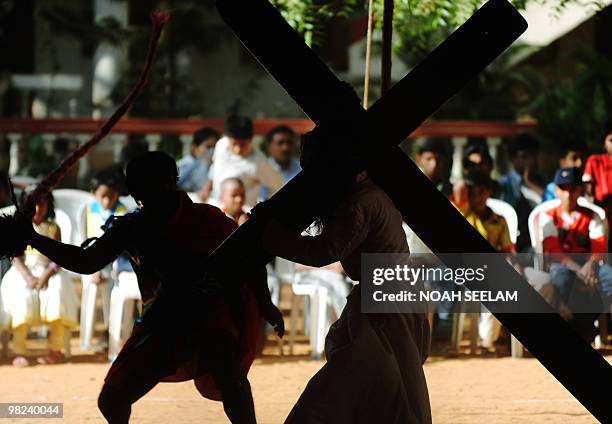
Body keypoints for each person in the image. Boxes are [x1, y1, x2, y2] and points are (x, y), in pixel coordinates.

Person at [16, 152, 284, 423]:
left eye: (154, 183)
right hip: (162, 323)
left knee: (228, 373)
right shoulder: (131, 227)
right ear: (134, 190)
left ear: (171, 182)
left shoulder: (207, 219)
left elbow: (248, 259)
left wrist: (266, 304)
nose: (147, 192)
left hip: (210, 318)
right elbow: (87, 261)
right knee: (111, 400)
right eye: (141, 185)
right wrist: (33, 239)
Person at [261, 134, 431, 422]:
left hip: (386, 303)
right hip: (391, 297)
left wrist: (270, 235)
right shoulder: (368, 195)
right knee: (391, 389)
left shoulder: (361, 204)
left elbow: (321, 252)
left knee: (337, 392)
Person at [1, 191, 78, 366]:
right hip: (24, 272)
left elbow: (58, 257)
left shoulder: (54, 228)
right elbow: (15, 257)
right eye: (33, 204)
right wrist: (28, 276)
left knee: (58, 289)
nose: (38, 208)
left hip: (48, 272)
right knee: (20, 294)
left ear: (48, 205)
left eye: (42, 203)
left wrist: (45, 276)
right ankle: (19, 349)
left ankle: (55, 349)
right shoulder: (19, 227)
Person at [541, 167, 612, 341]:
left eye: (573, 188)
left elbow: (599, 247)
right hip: (564, 267)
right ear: (556, 190)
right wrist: (579, 269)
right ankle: (582, 327)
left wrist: (589, 266)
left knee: (610, 278)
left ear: (580, 189)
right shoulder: (548, 216)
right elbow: (553, 252)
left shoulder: (593, 216)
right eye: (563, 188)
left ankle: (586, 324)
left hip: (590, 266)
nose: (568, 194)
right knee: (560, 275)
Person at [458, 174, 515, 351]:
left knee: (538, 281)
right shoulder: (463, 215)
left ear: (488, 193)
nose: (479, 197)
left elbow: (507, 250)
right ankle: (488, 341)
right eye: (474, 194)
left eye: (482, 193)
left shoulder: (499, 220)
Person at [81, 167, 131, 351]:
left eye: (111, 195)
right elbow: (88, 238)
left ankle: (110, 332)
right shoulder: (89, 210)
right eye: (102, 195)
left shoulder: (122, 212)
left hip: (114, 265)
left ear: (117, 193)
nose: (107, 200)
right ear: (94, 194)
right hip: (91, 261)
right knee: (95, 287)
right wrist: (94, 268)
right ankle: (90, 336)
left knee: (111, 292)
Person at [200, 115, 283, 207]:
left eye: (242, 144)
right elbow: (215, 167)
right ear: (227, 138)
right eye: (234, 143)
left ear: (251, 140)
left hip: (242, 215)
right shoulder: (221, 145)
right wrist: (207, 187)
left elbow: (278, 185)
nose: (238, 149)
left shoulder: (259, 162)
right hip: (216, 205)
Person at [499, 134, 546, 252]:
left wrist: (528, 182)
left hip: (539, 236)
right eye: (525, 156)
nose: (531, 161)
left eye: (533, 156)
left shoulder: (542, 181)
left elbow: (550, 204)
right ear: (513, 158)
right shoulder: (504, 184)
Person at [451, 142, 502, 209]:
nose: (477, 169)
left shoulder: (501, 192)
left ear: (490, 166)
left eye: (481, 164)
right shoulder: (461, 191)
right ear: (465, 169)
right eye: (472, 165)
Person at [259, 125, 301, 199]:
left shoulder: (300, 167)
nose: (285, 147)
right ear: (269, 146)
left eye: (289, 143)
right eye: (280, 143)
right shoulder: (260, 171)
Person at [582, 121, 612, 221]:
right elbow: (588, 191)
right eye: (611, 140)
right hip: (602, 217)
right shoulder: (595, 161)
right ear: (604, 143)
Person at [177, 127, 220, 192]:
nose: (212, 150)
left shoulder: (217, 166)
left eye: (215, 147)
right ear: (194, 147)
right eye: (208, 147)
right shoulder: (186, 164)